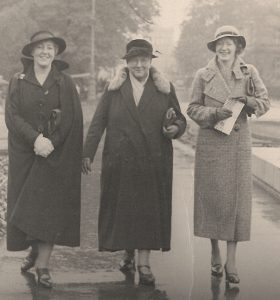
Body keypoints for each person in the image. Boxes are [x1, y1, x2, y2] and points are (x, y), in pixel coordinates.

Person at [82, 39, 186, 285]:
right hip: (121, 160)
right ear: (127, 63)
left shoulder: (164, 88)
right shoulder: (114, 89)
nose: (139, 65)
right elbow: (98, 123)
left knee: (148, 212)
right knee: (126, 212)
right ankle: (129, 252)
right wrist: (87, 153)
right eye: (134, 60)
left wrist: (175, 128)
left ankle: (144, 263)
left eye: (144, 60)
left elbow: (180, 119)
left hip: (153, 160)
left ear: (150, 62)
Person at [187, 25, 270, 284]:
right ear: (215, 47)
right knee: (213, 200)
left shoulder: (249, 72)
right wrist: (213, 114)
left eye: (229, 43)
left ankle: (231, 259)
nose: (225, 47)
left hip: (237, 145)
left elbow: (265, 102)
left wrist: (248, 101)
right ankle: (214, 251)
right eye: (220, 43)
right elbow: (192, 108)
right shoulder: (203, 74)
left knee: (236, 202)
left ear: (237, 46)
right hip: (211, 143)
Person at [5, 31, 83, 288]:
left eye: (49, 47)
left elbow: (70, 117)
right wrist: (35, 140)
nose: (45, 52)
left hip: (54, 156)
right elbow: (12, 116)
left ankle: (43, 266)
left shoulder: (65, 82)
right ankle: (34, 250)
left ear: (56, 52)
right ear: (32, 51)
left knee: (48, 210)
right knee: (27, 207)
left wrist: (51, 142)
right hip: (27, 154)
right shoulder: (18, 80)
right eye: (40, 47)